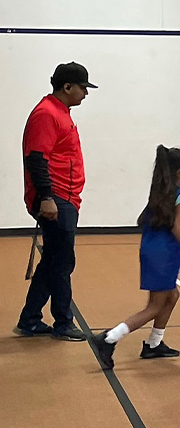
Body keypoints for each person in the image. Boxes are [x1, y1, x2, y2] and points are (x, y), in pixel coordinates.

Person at [90, 146, 180, 369]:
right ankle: (109, 338)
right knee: (154, 306)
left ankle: (154, 344)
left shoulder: (159, 192)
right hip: (165, 254)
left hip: (151, 249)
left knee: (172, 296)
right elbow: (177, 228)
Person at [15, 62, 98, 342]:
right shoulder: (47, 114)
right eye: (83, 88)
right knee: (62, 262)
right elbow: (36, 159)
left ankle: (29, 320)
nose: (85, 93)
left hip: (65, 198)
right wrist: (47, 198)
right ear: (67, 87)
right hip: (56, 199)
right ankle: (63, 322)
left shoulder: (60, 112)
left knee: (53, 261)